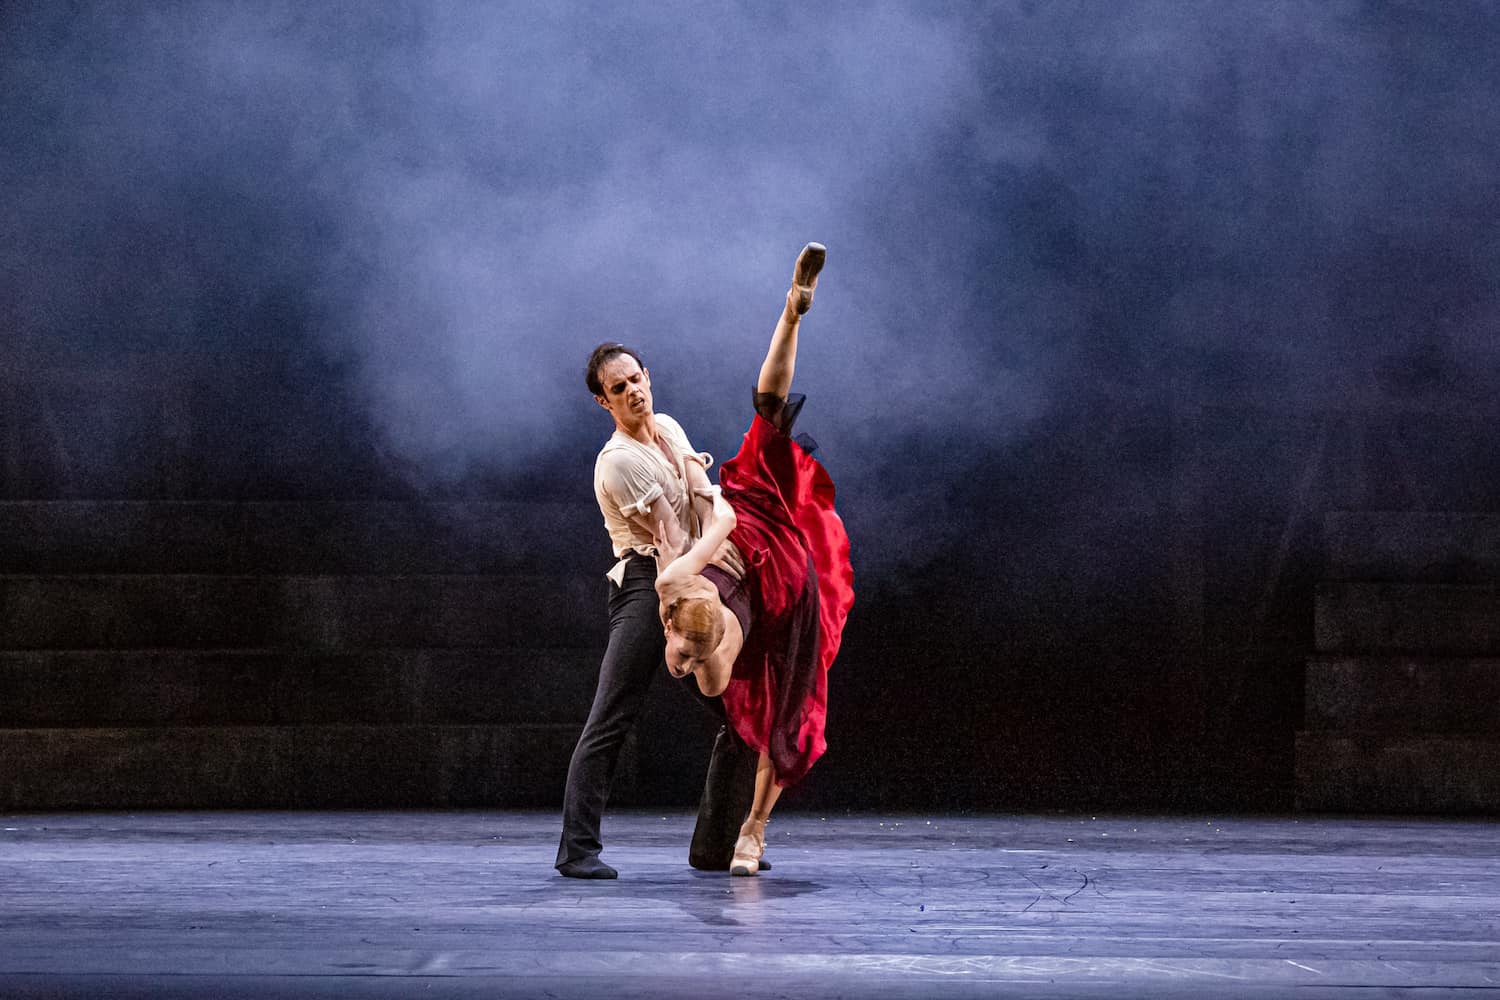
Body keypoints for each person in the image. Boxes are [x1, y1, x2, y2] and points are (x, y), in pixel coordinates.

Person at [653, 242, 855, 876]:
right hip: (758, 537)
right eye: (685, 655)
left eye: (683, 657)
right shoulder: (676, 583)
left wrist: (708, 503)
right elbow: (706, 526)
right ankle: (747, 834)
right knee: (765, 420)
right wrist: (703, 494)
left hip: (783, 582)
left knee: (783, 719)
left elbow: (720, 522)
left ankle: (754, 834)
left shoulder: (709, 660)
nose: (680, 669)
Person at [555, 341, 760, 879]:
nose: (632, 392)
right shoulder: (619, 461)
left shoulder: (667, 427)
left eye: (635, 379)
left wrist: (721, 520)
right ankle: (577, 850)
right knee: (613, 714)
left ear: (647, 374)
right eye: (618, 389)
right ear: (605, 402)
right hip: (650, 582)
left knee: (744, 718)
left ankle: (716, 846)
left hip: (691, 572)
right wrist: (723, 526)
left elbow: (698, 495)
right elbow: (671, 542)